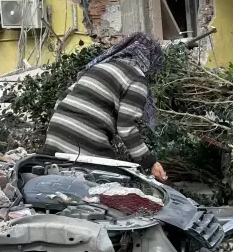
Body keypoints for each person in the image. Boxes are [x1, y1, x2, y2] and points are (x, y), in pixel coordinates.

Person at [44, 33, 168, 181]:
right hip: (83, 141)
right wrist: (150, 162)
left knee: (55, 183)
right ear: (152, 60)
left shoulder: (102, 65)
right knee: (110, 184)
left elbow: (62, 97)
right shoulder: (137, 79)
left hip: (55, 133)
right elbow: (126, 127)